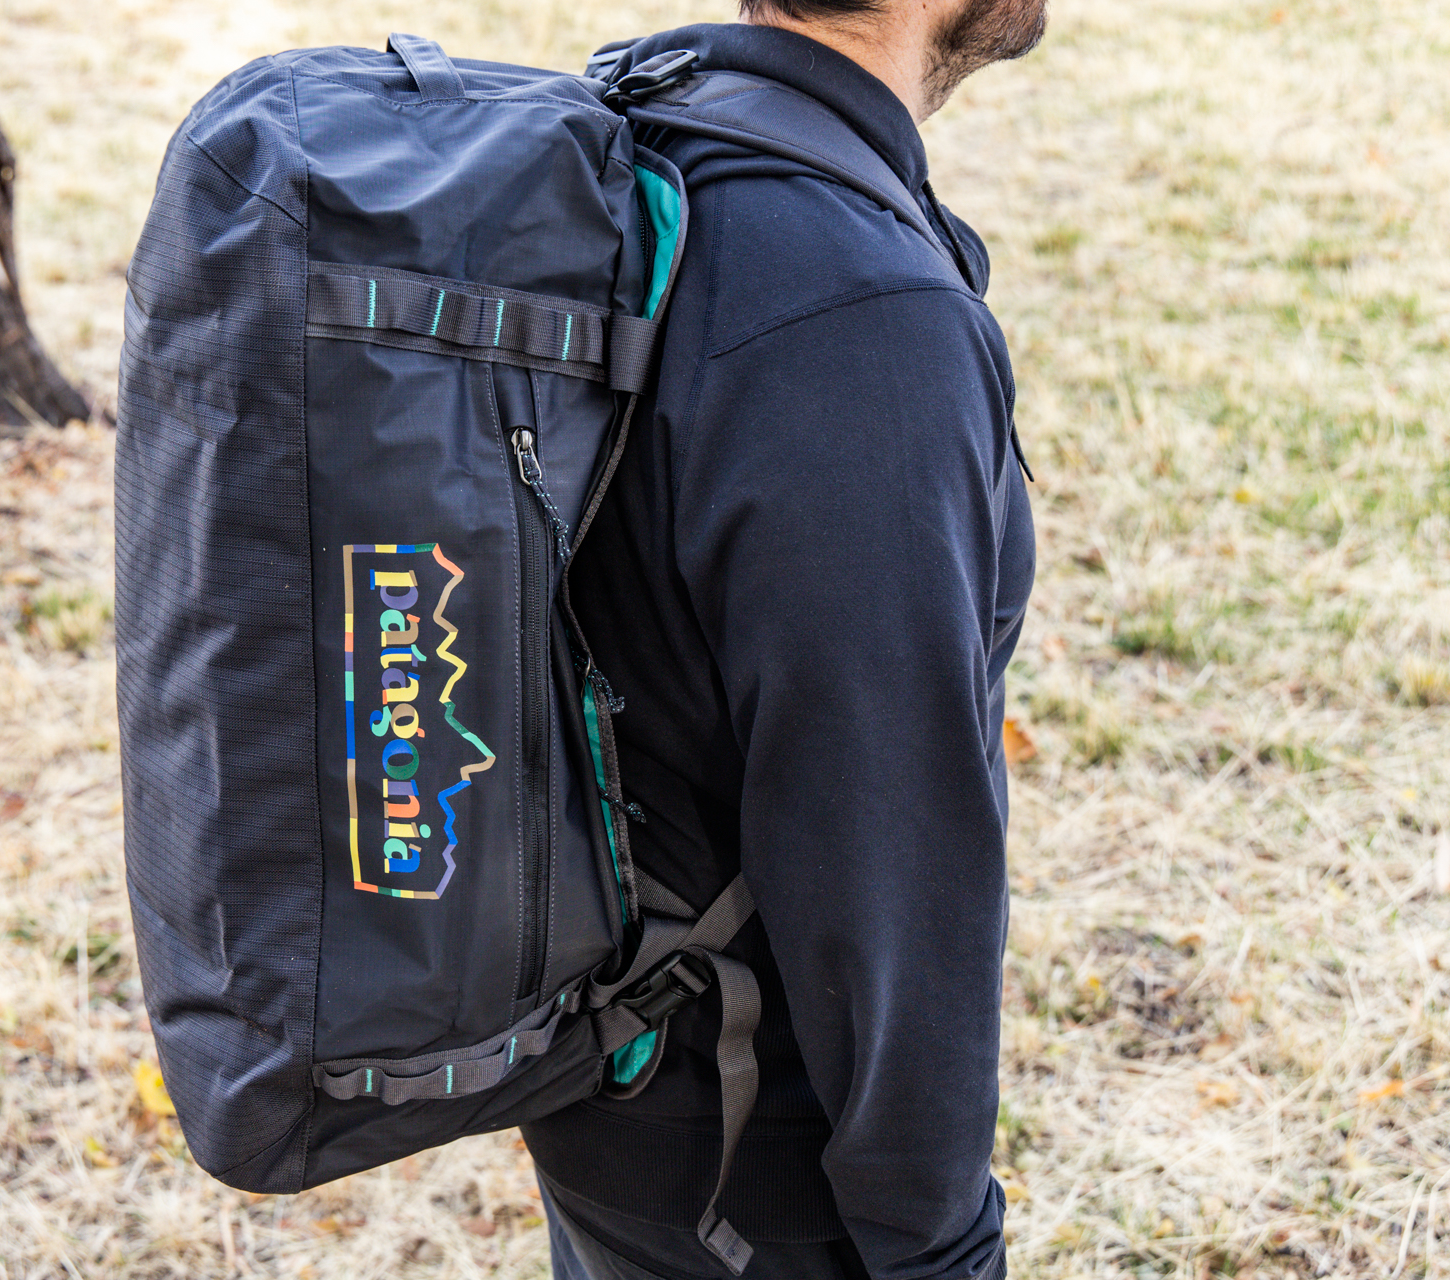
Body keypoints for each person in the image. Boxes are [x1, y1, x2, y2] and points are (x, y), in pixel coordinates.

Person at [519, 1, 1046, 1277]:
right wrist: (940, 1246)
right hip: (764, 1182)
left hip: (621, 1094)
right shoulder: (858, 313)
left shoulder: (665, 140)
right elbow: (882, 846)